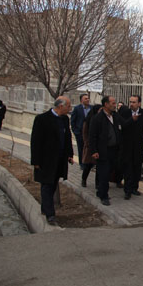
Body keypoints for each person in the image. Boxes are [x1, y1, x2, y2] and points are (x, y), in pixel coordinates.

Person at [30, 96, 74, 225]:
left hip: (59, 159)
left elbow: (67, 137)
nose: (70, 108)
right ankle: (50, 214)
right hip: (46, 160)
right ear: (61, 106)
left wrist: (69, 154)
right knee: (47, 185)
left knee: (53, 184)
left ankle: (45, 208)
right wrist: (36, 161)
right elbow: (35, 141)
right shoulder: (42, 119)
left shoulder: (64, 119)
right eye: (68, 106)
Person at [118, 95, 143, 200]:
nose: (131, 104)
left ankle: (134, 188)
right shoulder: (125, 113)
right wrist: (132, 119)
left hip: (139, 146)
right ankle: (127, 190)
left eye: (134, 102)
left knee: (137, 168)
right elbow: (122, 126)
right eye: (130, 102)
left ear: (139, 103)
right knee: (128, 169)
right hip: (127, 146)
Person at [89, 96, 122, 206]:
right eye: (113, 103)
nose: (114, 105)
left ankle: (100, 192)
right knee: (104, 174)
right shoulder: (97, 119)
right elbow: (92, 136)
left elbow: (124, 124)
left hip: (114, 150)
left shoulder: (115, 116)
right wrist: (94, 151)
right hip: (103, 151)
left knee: (109, 171)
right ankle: (104, 196)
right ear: (106, 104)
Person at [81, 104, 102, 188]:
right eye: (100, 110)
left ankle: (98, 183)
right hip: (90, 145)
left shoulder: (101, 120)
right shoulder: (88, 120)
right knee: (88, 165)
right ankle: (84, 179)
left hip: (99, 145)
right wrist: (87, 143)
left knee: (99, 166)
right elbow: (85, 133)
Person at [70, 94, 91, 170]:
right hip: (80, 133)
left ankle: (88, 163)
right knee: (81, 148)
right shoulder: (77, 109)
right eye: (86, 98)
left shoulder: (91, 108)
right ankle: (82, 164)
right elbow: (73, 121)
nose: (88, 100)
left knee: (88, 149)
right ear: (81, 100)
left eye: (88, 98)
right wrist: (76, 132)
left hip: (89, 133)